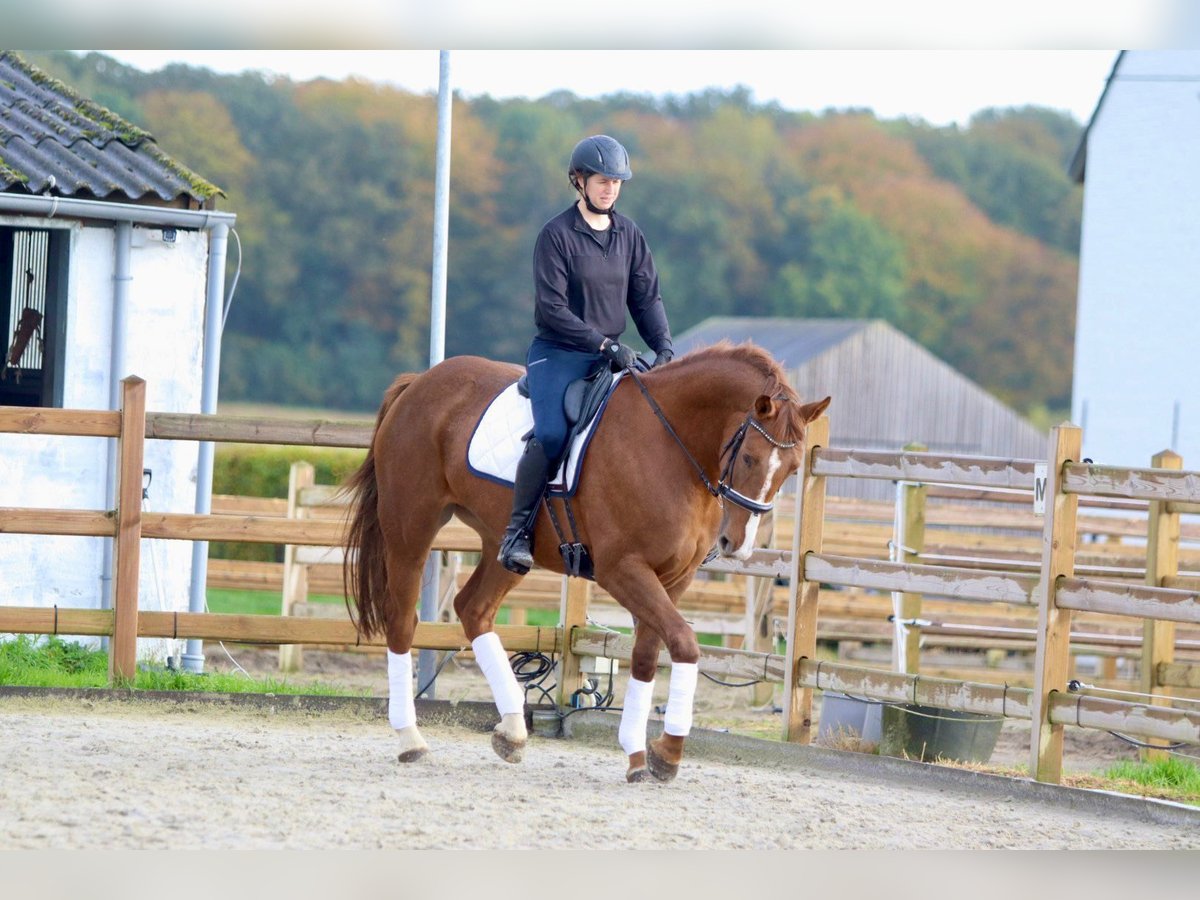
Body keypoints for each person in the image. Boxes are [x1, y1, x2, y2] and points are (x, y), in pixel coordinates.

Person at [498, 134, 675, 574]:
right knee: (555, 435)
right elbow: (552, 309)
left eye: (616, 181)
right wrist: (604, 344)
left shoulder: (629, 234)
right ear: (579, 181)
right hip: (559, 353)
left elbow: (646, 299)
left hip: (608, 358)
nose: (610, 188)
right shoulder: (555, 235)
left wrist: (664, 347)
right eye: (601, 180)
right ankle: (516, 534)